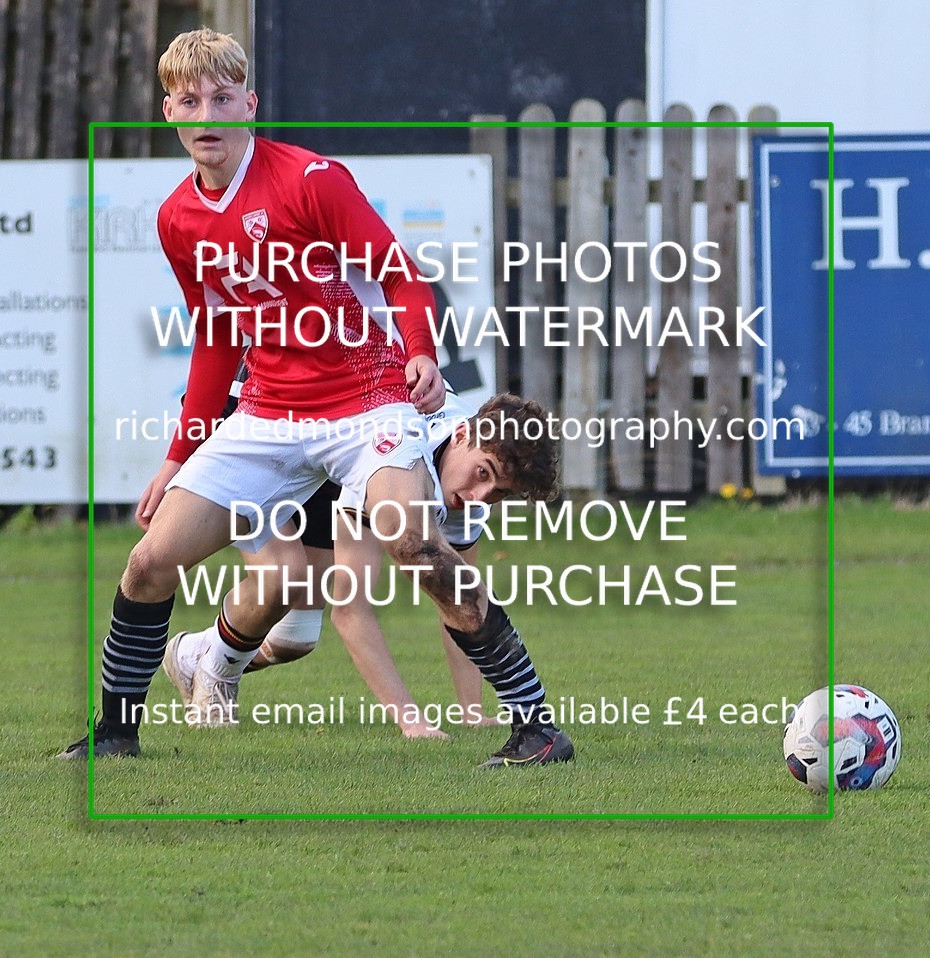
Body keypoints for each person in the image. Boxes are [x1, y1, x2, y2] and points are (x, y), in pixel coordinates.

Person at [58, 27, 572, 769]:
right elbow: (215, 339)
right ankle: (114, 736)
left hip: (368, 403)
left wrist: (421, 349)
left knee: (416, 544)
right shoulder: (178, 219)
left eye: (224, 97)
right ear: (169, 109)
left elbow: (402, 276)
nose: (208, 113)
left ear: (250, 105)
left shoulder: (309, 181)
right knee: (147, 563)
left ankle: (538, 729)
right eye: (191, 99)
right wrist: (177, 456)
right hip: (267, 414)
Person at [164, 390, 558, 740]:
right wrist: (410, 720)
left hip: (325, 437)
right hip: (258, 409)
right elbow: (351, 611)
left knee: (294, 636)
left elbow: (457, 602)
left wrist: (471, 712)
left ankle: (189, 656)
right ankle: (216, 675)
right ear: (461, 435)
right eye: (482, 474)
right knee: (282, 576)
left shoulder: (466, 490)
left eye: (498, 494)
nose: (478, 496)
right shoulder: (397, 458)